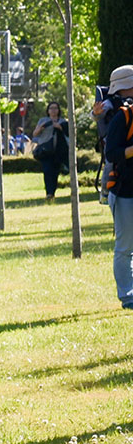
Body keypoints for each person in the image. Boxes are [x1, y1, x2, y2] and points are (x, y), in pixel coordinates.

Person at [98, 68, 133, 307]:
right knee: (125, 247)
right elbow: (111, 153)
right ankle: (127, 296)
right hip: (125, 191)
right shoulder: (122, 116)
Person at [33, 102, 72, 202]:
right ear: (48, 110)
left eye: (55, 108)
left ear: (59, 110)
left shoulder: (63, 121)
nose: (53, 110)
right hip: (46, 151)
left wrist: (60, 127)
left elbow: (69, 134)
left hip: (59, 151)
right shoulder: (43, 120)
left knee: (55, 172)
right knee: (47, 171)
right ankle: (49, 193)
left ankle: (53, 192)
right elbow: (35, 134)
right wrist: (41, 127)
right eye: (51, 108)